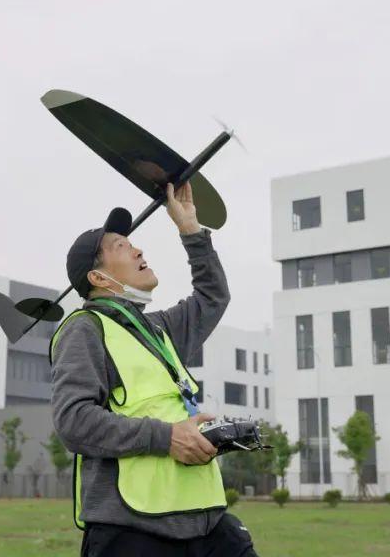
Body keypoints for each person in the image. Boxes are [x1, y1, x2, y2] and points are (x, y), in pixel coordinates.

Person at [50, 182, 258, 556]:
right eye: (121, 247)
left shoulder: (160, 329)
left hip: (206, 521)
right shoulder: (85, 328)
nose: (138, 248)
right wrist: (168, 437)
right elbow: (73, 421)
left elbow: (213, 297)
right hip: (133, 531)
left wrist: (190, 229)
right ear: (98, 278)